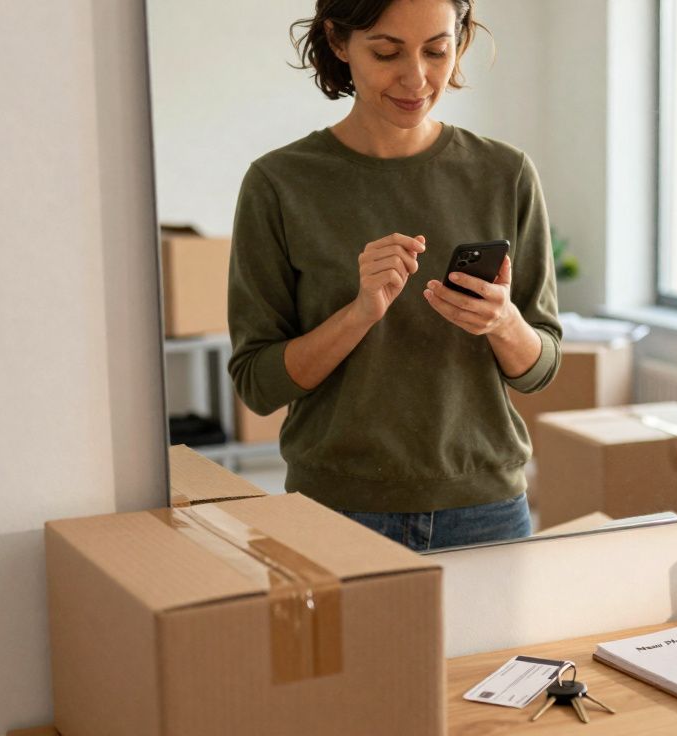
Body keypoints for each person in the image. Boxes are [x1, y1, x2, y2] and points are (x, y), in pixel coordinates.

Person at [228, 0, 561, 551]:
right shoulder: (279, 183)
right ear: (338, 42)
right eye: (386, 52)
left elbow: (540, 368)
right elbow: (258, 385)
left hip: (486, 511)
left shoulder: (506, 174)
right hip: (334, 512)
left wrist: (503, 322)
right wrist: (359, 314)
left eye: (437, 50)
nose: (417, 78)